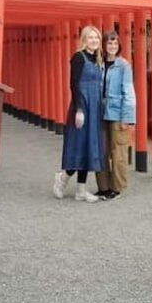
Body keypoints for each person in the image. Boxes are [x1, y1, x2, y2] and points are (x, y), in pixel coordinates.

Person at [53, 25, 104, 203]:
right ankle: (62, 178)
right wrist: (79, 109)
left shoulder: (98, 59)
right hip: (81, 107)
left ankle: (81, 190)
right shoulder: (78, 57)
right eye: (91, 38)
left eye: (96, 38)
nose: (94, 41)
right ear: (84, 39)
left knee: (89, 147)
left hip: (95, 108)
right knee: (78, 146)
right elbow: (74, 85)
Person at [95, 31, 136, 201]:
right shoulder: (98, 63)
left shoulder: (124, 66)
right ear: (103, 45)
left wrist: (127, 118)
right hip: (100, 113)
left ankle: (116, 187)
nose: (112, 47)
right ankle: (103, 187)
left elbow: (129, 93)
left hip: (117, 113)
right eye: (109, 43)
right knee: (101, 151)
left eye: (115, 44)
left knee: (118, 151)